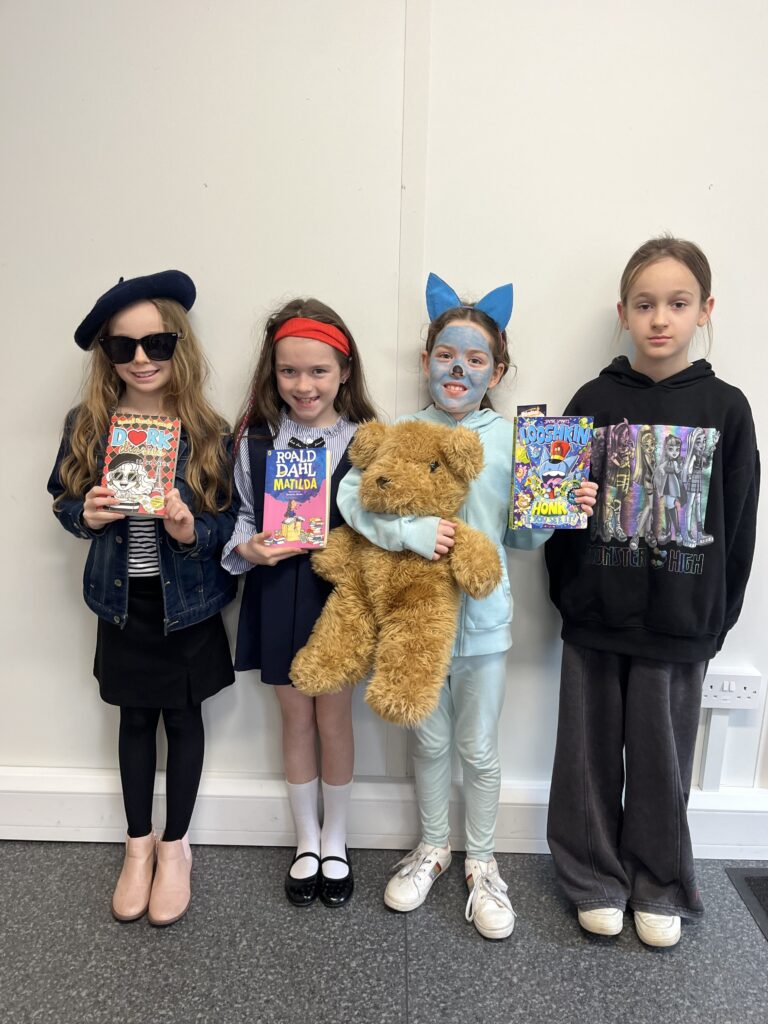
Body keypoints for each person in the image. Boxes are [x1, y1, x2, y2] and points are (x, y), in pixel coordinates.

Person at [336, 273, 597, 940]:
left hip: (482, 624)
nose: (459, 369)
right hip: (411, 624)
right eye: (447, 355)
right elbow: (351, 498)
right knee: (427, 741)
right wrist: (409, 532)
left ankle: (482, 861)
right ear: (426, 360)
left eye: (476, 358)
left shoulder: (514, 441)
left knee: (478, 748)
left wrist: (555, 511)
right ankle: (433, 847)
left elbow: (522, 540)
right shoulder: (400, 432)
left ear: (497, 371)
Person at [545, 237, 760, 947]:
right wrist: (568, 590)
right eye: (644, 304)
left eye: (677, 303)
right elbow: (555, 510)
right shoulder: (592, 401)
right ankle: (592, 877)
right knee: (586, 757)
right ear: (623, 313)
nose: (660, 318)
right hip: (595, 614)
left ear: (705, 310)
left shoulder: (727, 408)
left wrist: (716, 618)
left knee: (662, 761)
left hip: (681, 621)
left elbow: (739, 521)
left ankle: (660, 883)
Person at [48, 271, 237, 927]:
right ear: (106, 355)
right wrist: (86, 514)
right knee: (133, 720)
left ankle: (175, 847)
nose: (140, 359)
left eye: (156, 344)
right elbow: (63, 499)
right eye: (122, 346)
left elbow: (227, 521)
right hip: (122, 604)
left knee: (184, 720)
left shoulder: (207, 429)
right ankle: (137, 847)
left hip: (188, 606)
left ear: (179, 345)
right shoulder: (89, 425)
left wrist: (191, 530)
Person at [222, 298, 376, 908]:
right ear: (273, 373)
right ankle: (305, 839)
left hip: (338, 599)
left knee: (335, 718)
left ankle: (337, 839)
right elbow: (240, 514)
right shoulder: (255, 440)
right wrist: (248, 548)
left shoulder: (366, 440)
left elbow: (385, 522)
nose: (304, 385)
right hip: (276, 591)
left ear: (345, 372)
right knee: (295, 719)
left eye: (319, 371)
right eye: (289, 371)